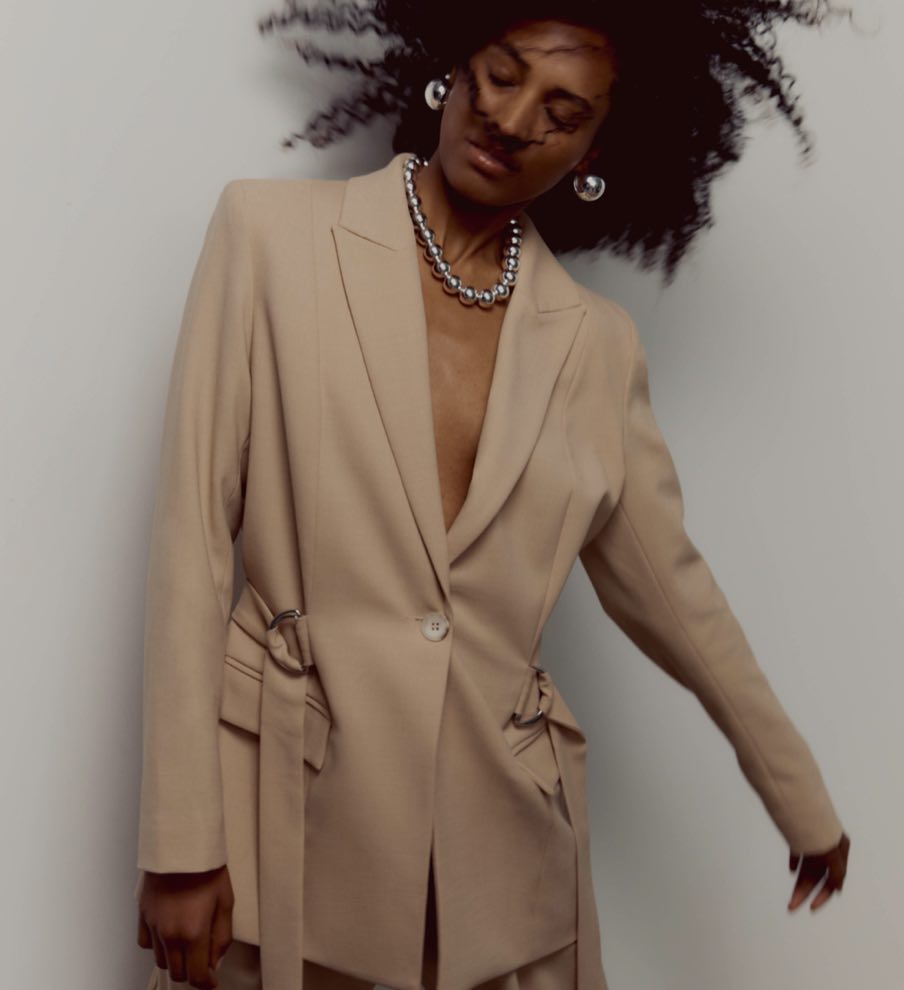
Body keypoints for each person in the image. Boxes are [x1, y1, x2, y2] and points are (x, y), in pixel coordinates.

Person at [134, 4, 852, 989]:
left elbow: (677, 597)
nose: (510, 121)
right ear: (453, 63)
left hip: (499, 869)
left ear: (598, 151)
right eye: (502, 74)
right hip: (282, 830)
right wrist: (181, 842)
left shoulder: (595, 348)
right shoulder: (270, 238)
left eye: (562, 113)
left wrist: (799, 798)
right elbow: (190, 540)